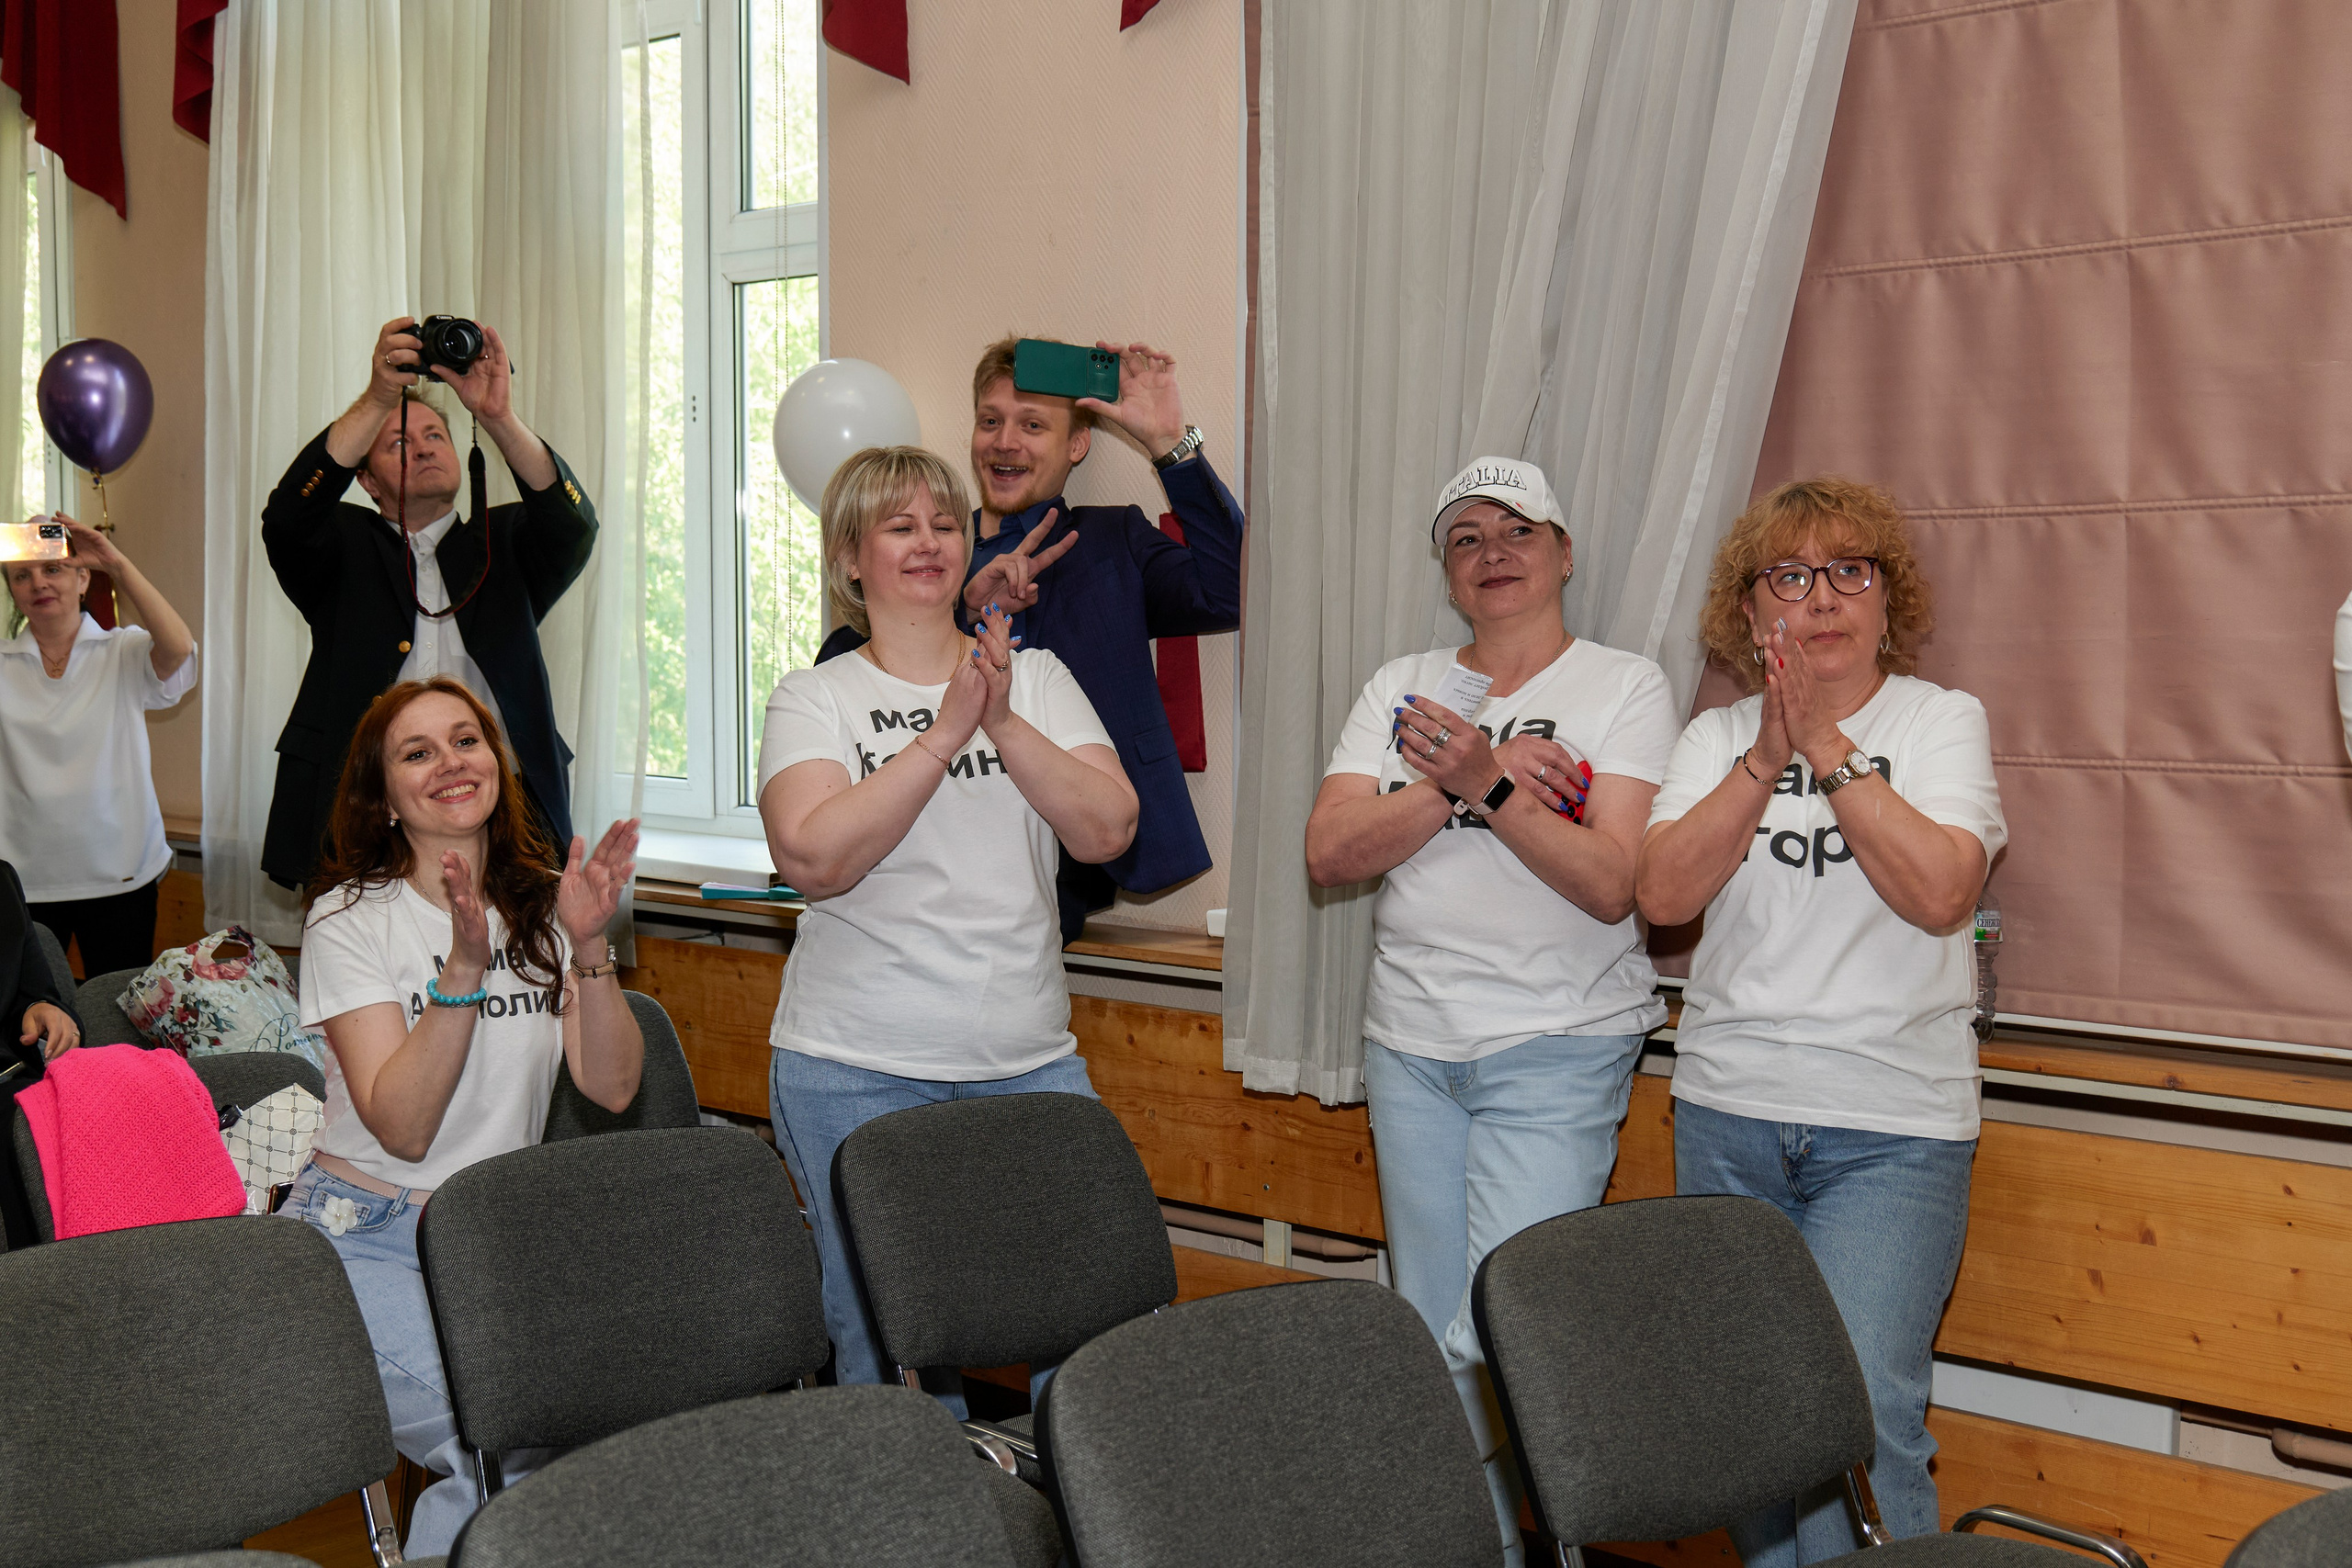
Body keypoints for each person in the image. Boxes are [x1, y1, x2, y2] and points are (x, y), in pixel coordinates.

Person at [1304, 457, 1681, 1565]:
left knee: (1510, 1330)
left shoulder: (1624, 687)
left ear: (1563, 553)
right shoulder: (1403, 686)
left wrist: (1488, 784)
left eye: (1518, 531)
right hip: (1414, 1048)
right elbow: (1330, 852)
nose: (1493, 552)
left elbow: (1612, 882)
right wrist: (1459, 775)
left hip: (1557, 1049)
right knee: (1431, 1332)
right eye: (1466, 537)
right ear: (1447, 573)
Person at [1635, 477, 2005, 1568]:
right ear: (1750, 618)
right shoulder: (1712, 739)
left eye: (1852, 570)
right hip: (1727, 1117)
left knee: (1865, 1423)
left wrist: (1828, 747)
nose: (1824, 595)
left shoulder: (1940, 722)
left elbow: (1942, 893)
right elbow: (1661, 898)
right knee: (1755, 1429)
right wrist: (1766, 753)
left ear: (1888, 600)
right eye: (1790, 576)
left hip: (1889, 1130)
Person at [760, 446, 1136, 1395]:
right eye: (898, 526)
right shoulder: (817, 696)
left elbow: (1108, 826)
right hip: (853, 1073)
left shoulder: (1036, 679)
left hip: (1027, 1061)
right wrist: (943, 732)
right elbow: (813, 857)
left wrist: (1001, 719)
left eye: (941, 522)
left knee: (1089, 1333)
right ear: (851, 559)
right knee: (888, 1356)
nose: (926, 542)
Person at [287, 676, 641, 1556]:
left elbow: (611, 1085)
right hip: (363, 1236)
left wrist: (589, 942)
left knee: (597, 1420)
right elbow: (403, 1127)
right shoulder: (348, 920)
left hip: (491, 1238)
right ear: (386, 799)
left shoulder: (546, 904)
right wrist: (461, 970)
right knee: (502, 1437)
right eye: (418, 752)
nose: (450, 762)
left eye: (466, 740)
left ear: (498, 762)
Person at [818, 335, 1243, 941]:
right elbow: (854, 672)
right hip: (924, 850)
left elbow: (1229, 591)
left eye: (1033, 424)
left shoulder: (1112, 539)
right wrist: (966, 610)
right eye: (990, 420)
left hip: (1071, 861)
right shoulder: (925, 557)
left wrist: (1171, 445)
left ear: (1077, 444)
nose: (1005, 440)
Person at [260, 316, 598, 890]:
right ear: (365, 481)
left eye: (434, 436)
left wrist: (496, 416)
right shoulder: (343, 546)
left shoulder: (507, 543)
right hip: (366, 810)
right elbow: (290, 517)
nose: (421, 450)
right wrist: (377, 397)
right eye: (398, 443)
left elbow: (572, 522)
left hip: (503, 809)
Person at [1, 518, 197, 975]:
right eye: (21, 575)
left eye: (54, 569)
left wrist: (117, 563)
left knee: (114, 1019)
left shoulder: (123, 651)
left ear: (83, 577)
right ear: (11, 589)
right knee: (27, 1025)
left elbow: (179, 649)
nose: (38, 583)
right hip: (24, 882)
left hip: (120, 876)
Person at [0, 857, 79, 1249]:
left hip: (14, 1077)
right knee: (19, 1122)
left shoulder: (1, 881)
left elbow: (35, 994)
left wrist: (42, 1010)